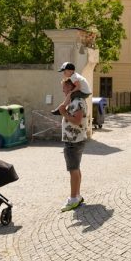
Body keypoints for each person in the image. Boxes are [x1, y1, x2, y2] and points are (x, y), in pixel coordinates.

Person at [57, 79, 89, 211]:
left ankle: (73, 199)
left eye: (64, 88)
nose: (63, 91)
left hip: (73, 141)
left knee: (73, 170)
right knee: (76, 168)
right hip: (74, 139)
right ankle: (77, 195)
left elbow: (77, 120)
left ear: (71, 88)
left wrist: (64, 113)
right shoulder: (75, 101)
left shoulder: (78, 102)